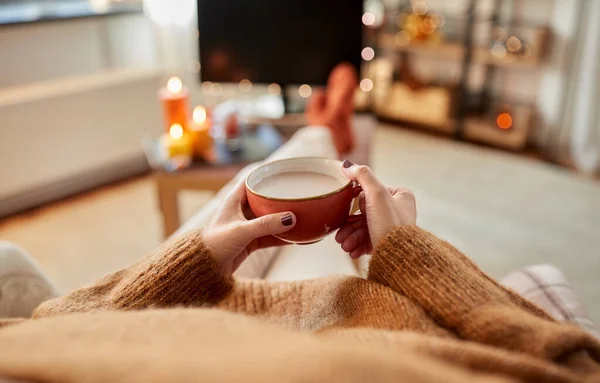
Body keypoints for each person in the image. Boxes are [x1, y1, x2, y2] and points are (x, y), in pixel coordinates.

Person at [0, 159, 599, 383]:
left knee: (287, 155)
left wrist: (197, 262)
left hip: (257, 315)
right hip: (381, 330)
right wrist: (412, 255)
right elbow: (569, 359)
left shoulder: (19, 350)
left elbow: (55, 319)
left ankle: (323, 124)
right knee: (539, 273)